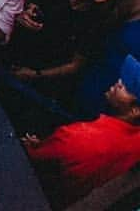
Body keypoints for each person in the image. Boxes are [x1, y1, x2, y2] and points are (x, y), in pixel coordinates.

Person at [24, 54, 140, 208]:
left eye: (126, 86)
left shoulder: (75, 136)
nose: (119, 82)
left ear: (135, 111)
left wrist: (36, 147)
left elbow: (32, 157)